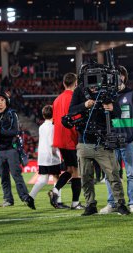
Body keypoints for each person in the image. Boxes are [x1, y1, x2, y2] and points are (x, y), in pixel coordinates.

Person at [69, 75, 130, 216]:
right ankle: (90, 205)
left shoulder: (107, 90)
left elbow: (119, 113)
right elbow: (71, 110)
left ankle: (120, 203)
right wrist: (85, 105)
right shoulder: (79, 91)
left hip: (103, 142)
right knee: (85, 177)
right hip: (84, 141)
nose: (93, 81)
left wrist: (112, 107)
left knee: (113, 175)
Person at [100, 65, 133, 214]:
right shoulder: (106, 97)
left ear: (124, 77)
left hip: (129, 140)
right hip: (111, 142)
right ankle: (112, 203)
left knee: (131, 174)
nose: (116, 78)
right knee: (111, 175)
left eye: (119, 75)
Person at [0, 91, 35, 209]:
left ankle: (25, 198)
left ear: (6, 102)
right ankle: (8, 200)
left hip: (11, 149)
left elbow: (14, 132)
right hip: (1, 150)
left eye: (2, 100)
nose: (0, 103)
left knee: (16, 175)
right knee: (3, 177)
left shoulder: (12, 114)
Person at [49, 73, 84, 210]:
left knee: (70, 169)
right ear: (76, 84)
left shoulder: (56, 100)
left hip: (60, 139)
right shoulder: (75, 98)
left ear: (64, 84)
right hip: (71, 138)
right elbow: (77, 119)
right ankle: (75, 203)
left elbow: (54, 120)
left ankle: (56, 190)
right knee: (76, 171)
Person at [29, 105, 63, 204]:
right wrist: (57, 155)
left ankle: (30, 196)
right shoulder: (53, 127)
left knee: (43, 179)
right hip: (51, 157)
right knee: (57, 177)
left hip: (42, 157)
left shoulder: (41, 127)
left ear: (43, 115)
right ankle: (57, 201)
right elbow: (52, 143)